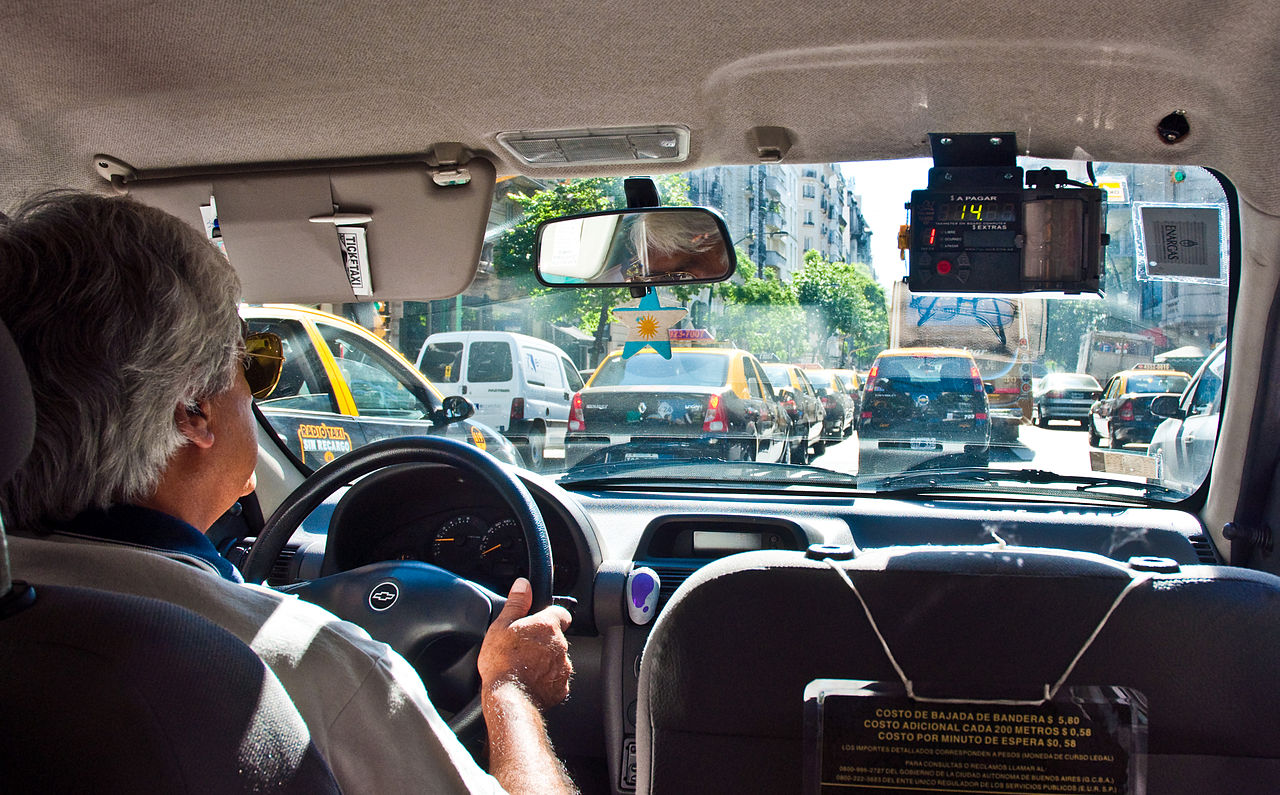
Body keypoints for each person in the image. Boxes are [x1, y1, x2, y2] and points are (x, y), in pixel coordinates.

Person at [0, 190, 577, 794]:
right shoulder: (307, 663)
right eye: (250, 366)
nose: (257, 393)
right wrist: (509, 688)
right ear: (193, 413)